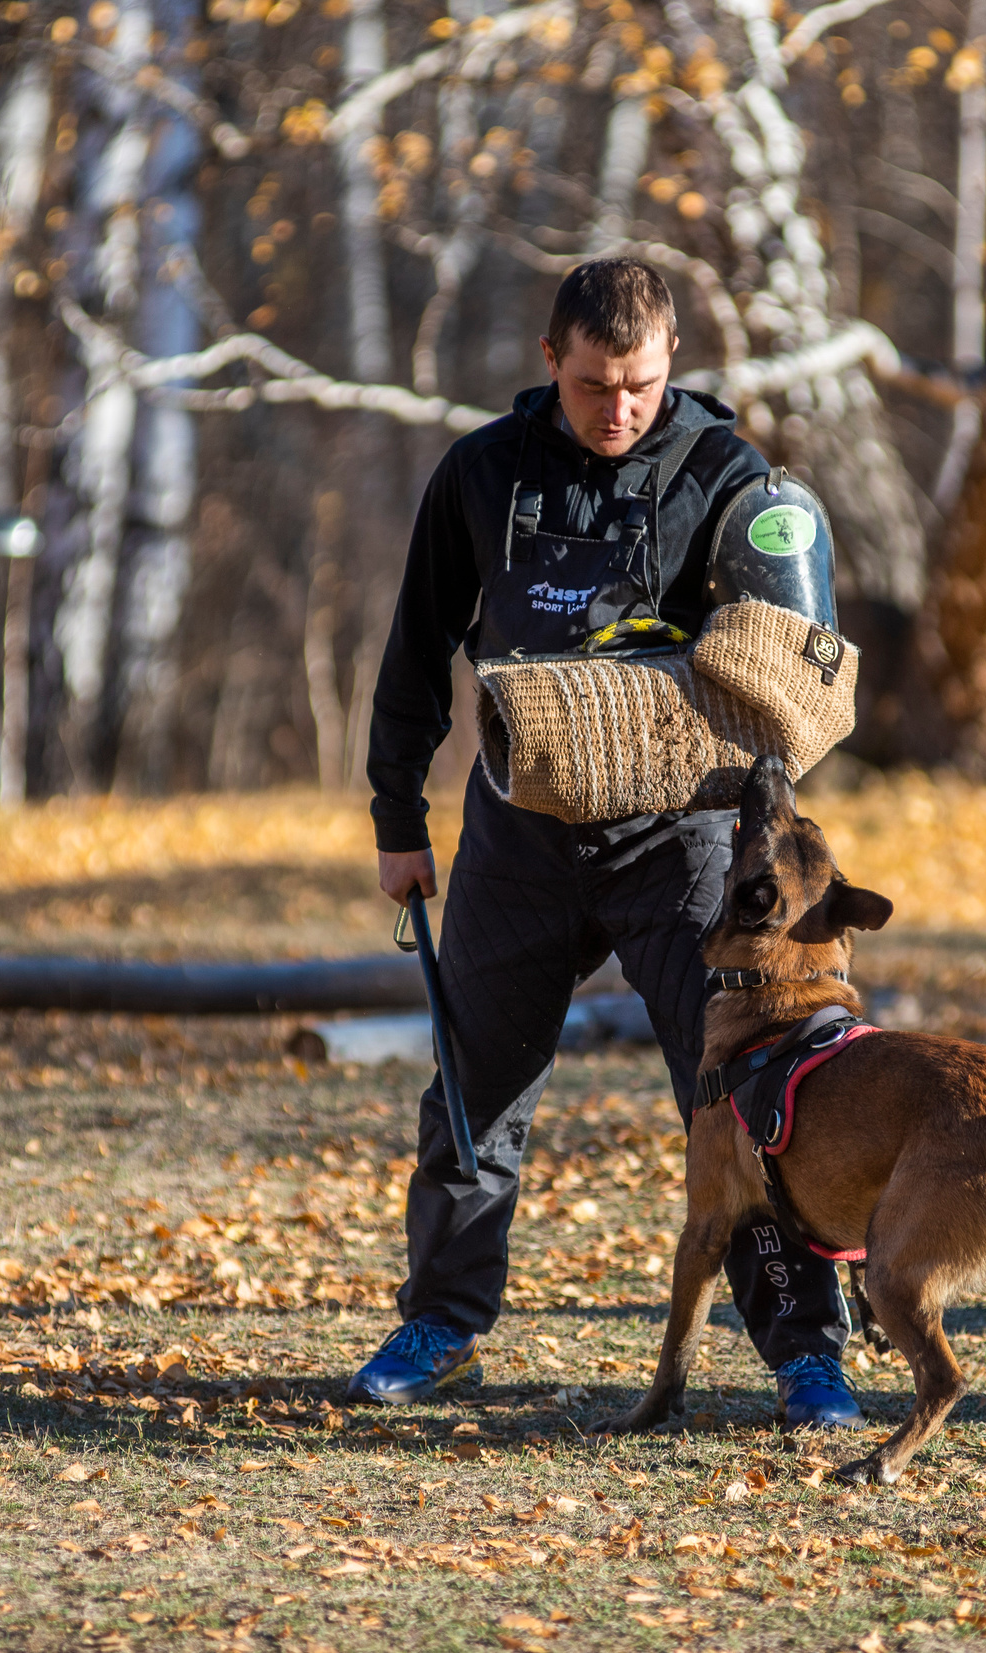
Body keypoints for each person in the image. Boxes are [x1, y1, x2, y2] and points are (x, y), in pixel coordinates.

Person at [348, 258, 862, 1429]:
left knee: (741, 1098)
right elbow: (415, 647)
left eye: (639, 384)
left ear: (671, 360)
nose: (617, 408)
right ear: (550, 361)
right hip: (517, 835)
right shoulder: (482, 471)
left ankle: (806, 1353)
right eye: (592, 384)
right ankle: (442, 1321)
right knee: (473, 1089)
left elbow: (803, 678)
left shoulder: (732, 478)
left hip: (683, 849)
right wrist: (396, 818)